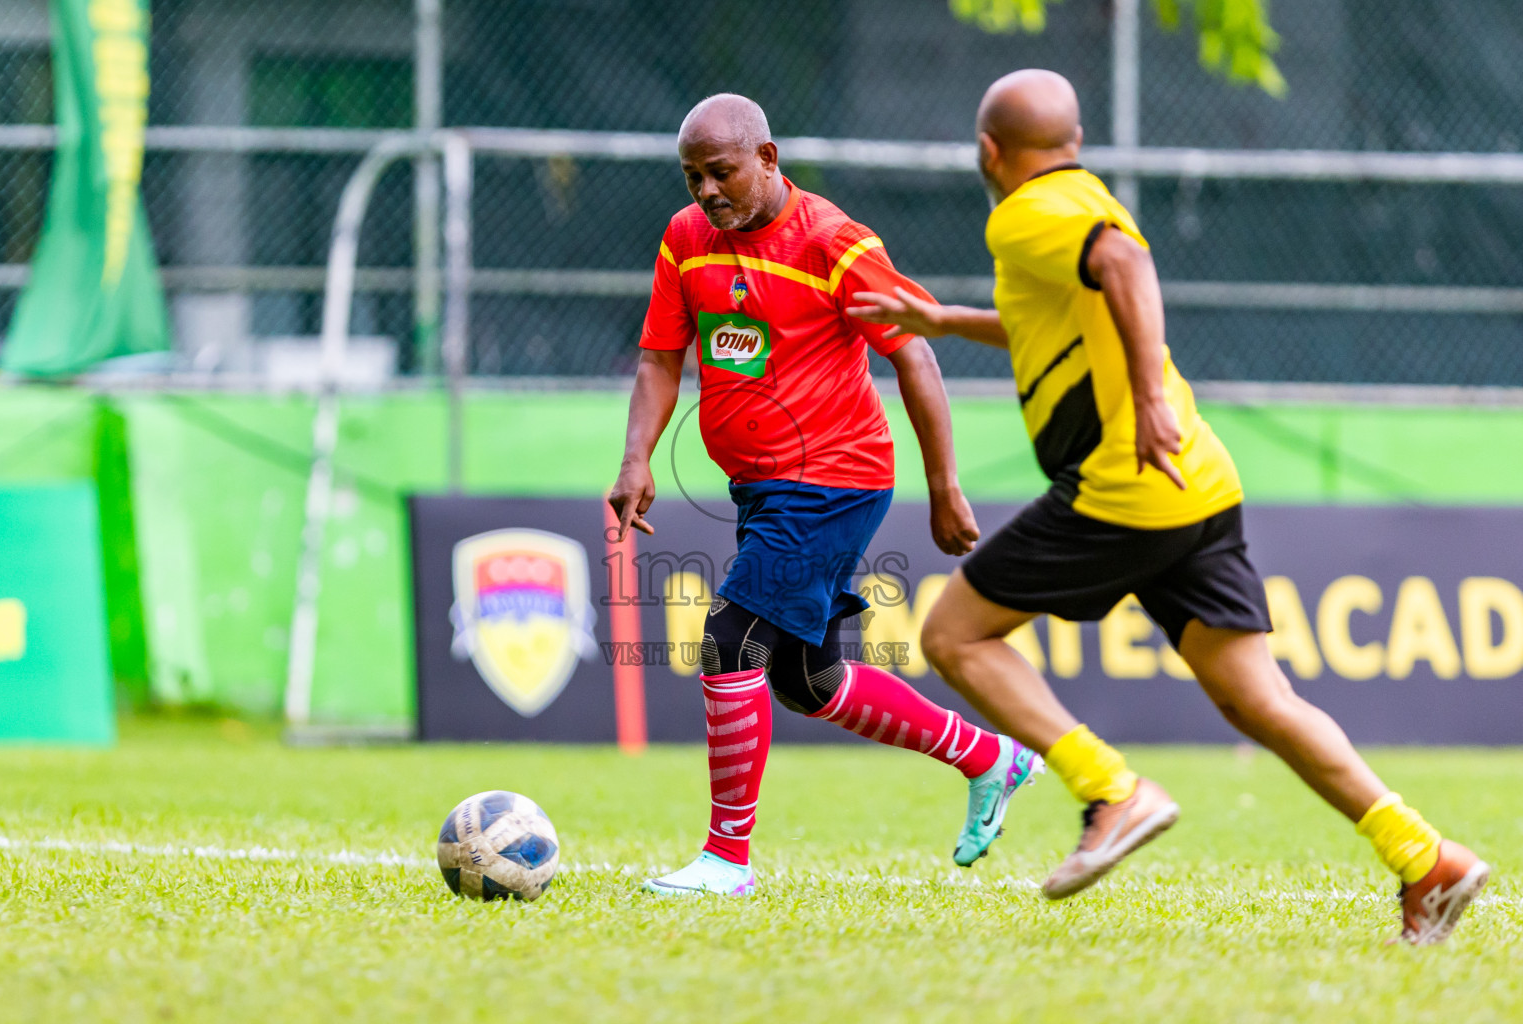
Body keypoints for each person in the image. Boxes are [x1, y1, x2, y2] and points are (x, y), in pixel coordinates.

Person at [847, 69, 1488, 945]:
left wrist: (1147, 397)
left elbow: (1124, 263)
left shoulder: (1025, 213)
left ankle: (1110, 790)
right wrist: (945, 322)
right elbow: (1060, 312)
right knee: (1261, 700)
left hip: (1124, 487)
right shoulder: (1078, 198)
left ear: (989, 152)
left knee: (954, 635)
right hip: (1199, 484)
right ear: (1070, 141)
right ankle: (1427, 859)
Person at [609, 93, 1043, 897]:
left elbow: (915, 357)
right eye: (693, 175)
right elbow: (661, 358)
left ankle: (725, 862)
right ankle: (992, 757)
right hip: (761, 488)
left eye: (722, 171)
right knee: (805, 681)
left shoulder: (836, 242)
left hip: (832, 477)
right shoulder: (685, 240)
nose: (706, 190)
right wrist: (635, 459)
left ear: (768, 159)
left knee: (729, 639)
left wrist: (944, 488)